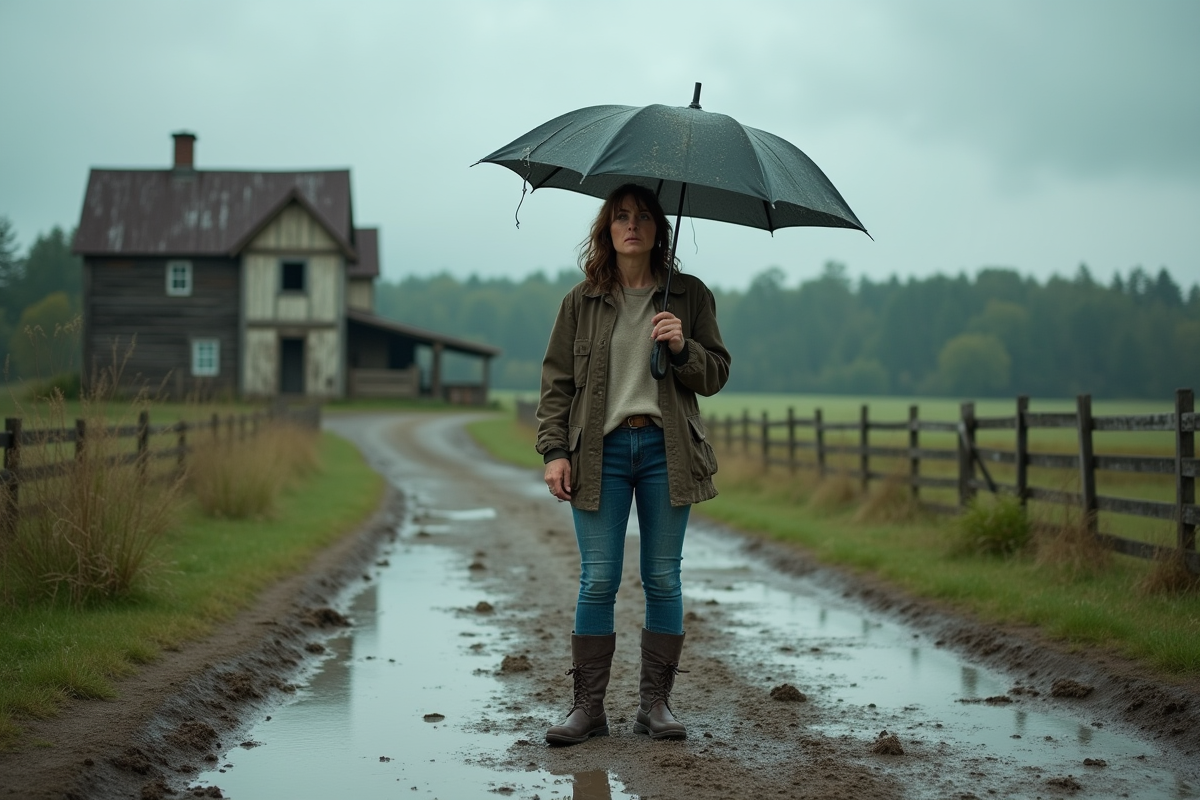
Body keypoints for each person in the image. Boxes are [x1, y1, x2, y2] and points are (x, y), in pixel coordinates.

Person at [536, 183, 731, 746]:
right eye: (621, 216)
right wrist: (554, 451)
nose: (631, 225)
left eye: (643, 217)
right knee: (598, 578)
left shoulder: (689, 297)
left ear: (658, 230)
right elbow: (556, 385)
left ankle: (655, 706)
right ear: (607, 228)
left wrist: (682, 348)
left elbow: (716, 374)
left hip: (668, 452)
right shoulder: (580, 302)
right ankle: (587, 709)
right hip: (601, 452)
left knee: (663, 577)